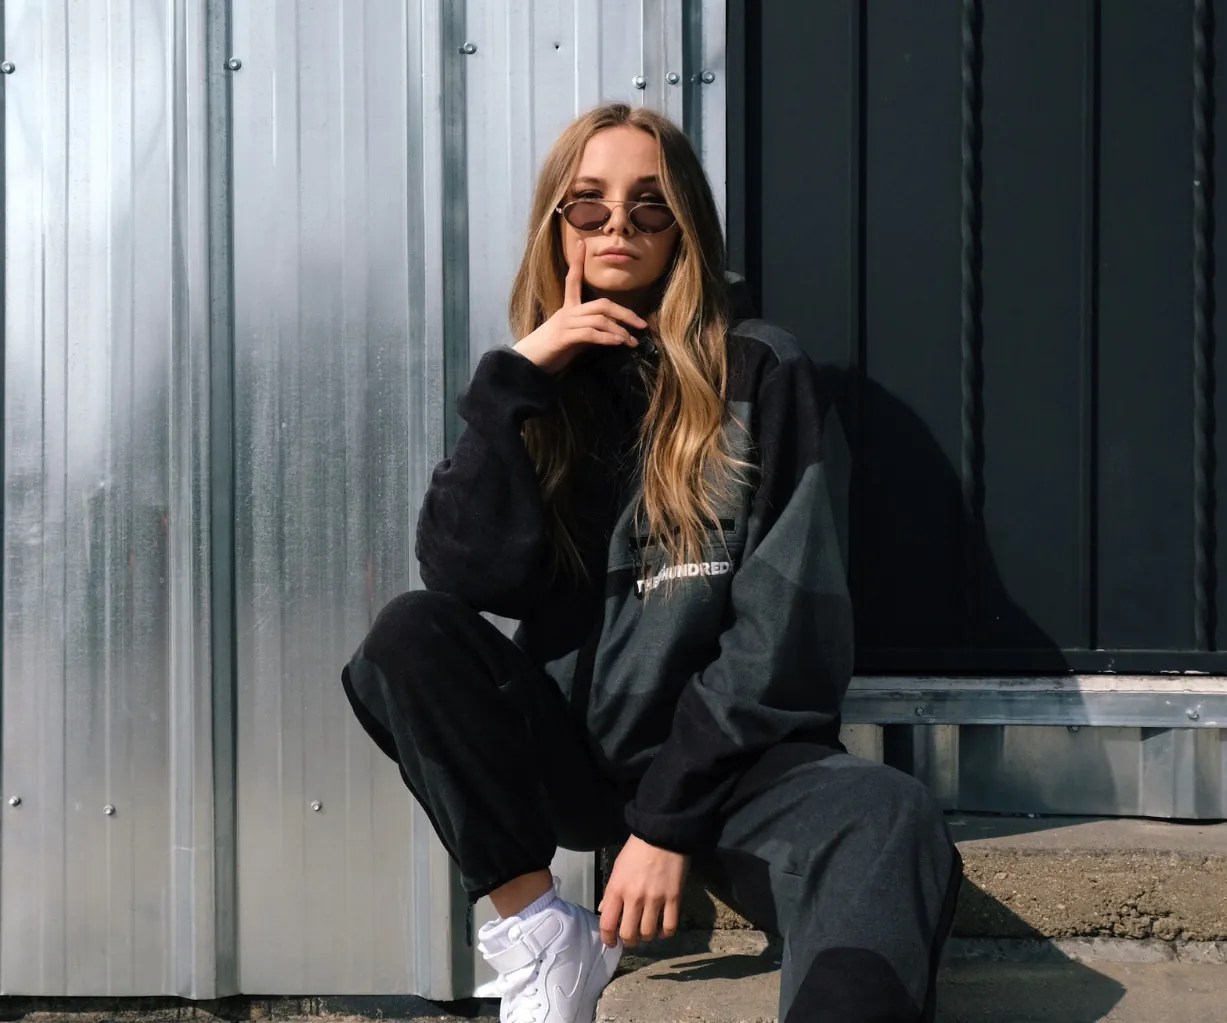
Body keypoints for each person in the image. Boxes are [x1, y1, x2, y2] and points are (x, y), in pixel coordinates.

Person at [340, 102, 962, 1023]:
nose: (617, 225)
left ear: (684, 229)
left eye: (649, 205)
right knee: (408, 634)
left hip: (739, 772)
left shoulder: (758, 372)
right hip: (578, 763)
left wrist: (664, 823)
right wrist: (512, 384)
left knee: (889, 815)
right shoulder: (540, 390)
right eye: (588, 204)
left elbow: (782, 631)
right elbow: (467, 577)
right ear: (558, 225)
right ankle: (542, 934)